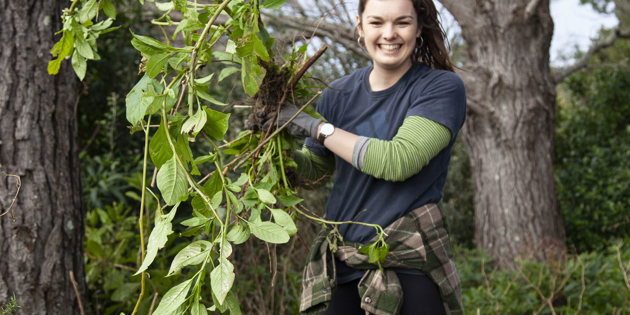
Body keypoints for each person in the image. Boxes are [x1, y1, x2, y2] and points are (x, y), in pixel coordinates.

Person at [264, 0, 466, 313]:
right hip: (341, 263)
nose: (389, 33)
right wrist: (276, 141)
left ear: (418, 27)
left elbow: (400, 161)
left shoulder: (440, 88)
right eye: (376, 23)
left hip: (407, 265)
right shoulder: (338, 93)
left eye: (402, 22)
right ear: (360, 26)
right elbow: (315, 172)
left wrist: (316, 127)